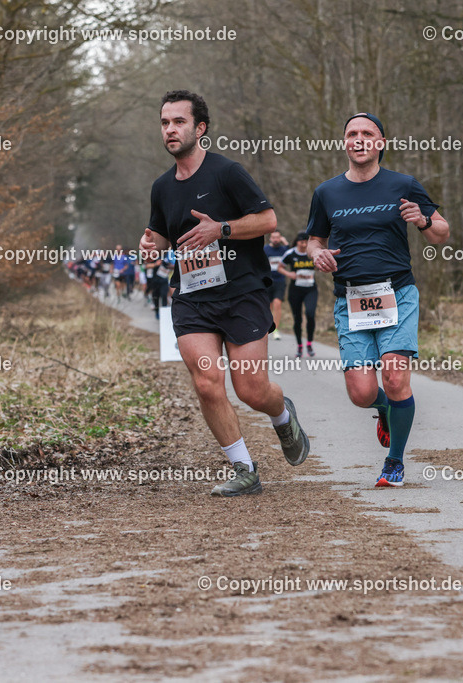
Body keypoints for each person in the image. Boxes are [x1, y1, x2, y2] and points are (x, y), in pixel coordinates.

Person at [139, 90, 310, 497]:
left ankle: (283, 415)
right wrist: (150, 248)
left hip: (242, 291)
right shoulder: (162, 187)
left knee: (251, 389)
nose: (170, 130)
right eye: (165, 123)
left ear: (200, 128)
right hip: (192, 296)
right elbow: (160, 237)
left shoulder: (227, 172)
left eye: (179, 122)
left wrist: (223, 229)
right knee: (207, 383)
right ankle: (244, 469)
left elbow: (267, 219)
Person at [306, 112, 449, 487]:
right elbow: (314, 239)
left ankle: (395, 462)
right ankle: (385, 408)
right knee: (361, 392)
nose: (359, 139)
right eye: (352, 133)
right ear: (344, 143)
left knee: (396, 376)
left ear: (381, 143)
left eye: (367, 133)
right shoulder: (326, 192)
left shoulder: (403, 184)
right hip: (350, 299)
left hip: (397, 293)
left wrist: (421, 220)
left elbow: (442, 233)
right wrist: (317, 253)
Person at [278, 232, 318, 358]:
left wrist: (319, 266)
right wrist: (289, 274)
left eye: (306, 242)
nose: (304, 244)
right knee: (298, 319)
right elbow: (280, 267)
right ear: (297, 242)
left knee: (310, 314)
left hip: (311, 289)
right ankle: (300, 346)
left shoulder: (311, 253)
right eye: (302, 242)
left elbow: (319, 264)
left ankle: (310, 343)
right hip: (295, 290)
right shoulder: (291, 253)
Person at [264, 231, 289, 340]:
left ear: (280, 238)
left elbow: (292, 253)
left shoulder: (284, 250)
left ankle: (276, 330)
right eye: (273, 237)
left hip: (280, 281)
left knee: (277, 304)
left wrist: (286, 242)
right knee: (268, 306)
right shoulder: (265, 249)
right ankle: (268, 327)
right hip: (268, 281)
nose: (275, 239)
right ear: (270, 238)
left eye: (278, 237)